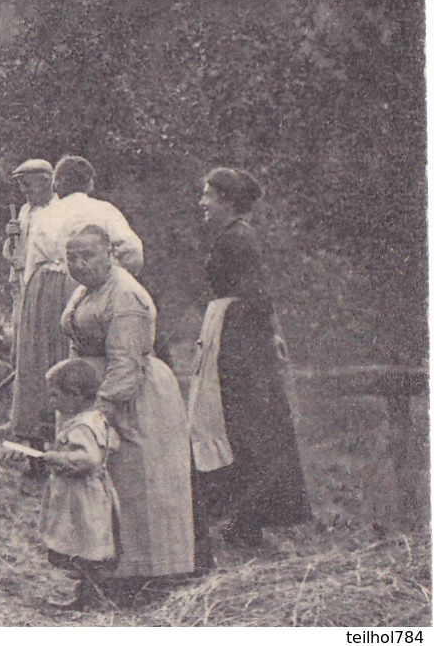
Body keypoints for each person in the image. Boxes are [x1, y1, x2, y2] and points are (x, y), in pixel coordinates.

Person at [188, 167, 310, 566]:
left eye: (209, 196)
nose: (202, 203)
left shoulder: (238, 238)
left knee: (242, 425)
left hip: (237, 338)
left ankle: (247, 520)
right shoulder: (233, 236)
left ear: (227, 200)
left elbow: (256, 294)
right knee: (235, 424)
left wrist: (247, 342)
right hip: (232, 331)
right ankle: (240, 517)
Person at [61, 225, 195, 586]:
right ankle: (98, 573)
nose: (78, 263)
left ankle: (141, 580)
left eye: (87, 255)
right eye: (71, 256)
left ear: (109, 254)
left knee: (137, 486)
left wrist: (98, 413)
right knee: (95, 487)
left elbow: (125, 364)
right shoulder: (85, 291)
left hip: (134, 397)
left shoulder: (125, 296)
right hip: (93, 391)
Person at [7, 155, 144, 471]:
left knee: (40, 361)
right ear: (91, 184)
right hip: (80, 286)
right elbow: (133, 252)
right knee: (80, 361)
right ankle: (84, 440)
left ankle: (38, 447)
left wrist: (30, 300)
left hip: (42, 287)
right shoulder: (104, 211)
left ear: (58, 184)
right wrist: (111, 275)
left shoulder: (47, 214)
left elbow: (32, 263)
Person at [36, 357, 121, 611]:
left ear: (75, 395)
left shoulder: (83, 426)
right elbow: (112, 443)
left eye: (55, 396)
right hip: (85, 493)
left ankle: (93, 599)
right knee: (84, 545)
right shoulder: (94, 419)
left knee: (87, 545)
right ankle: (84, 596)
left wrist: (58, 458)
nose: (51, 402)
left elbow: (90, 458)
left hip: (83, 496)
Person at [2, 158, 56, 325]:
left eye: (27, 184)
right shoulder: (25, 210)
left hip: (46, 289)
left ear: (46, 181)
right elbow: (16, 248)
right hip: (21, 285)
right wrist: (11, 237)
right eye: (20, 185)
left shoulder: (59, 210)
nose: (24, 190)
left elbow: (57, 253)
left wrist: (27, 263)